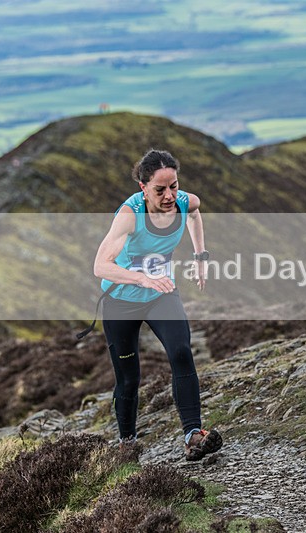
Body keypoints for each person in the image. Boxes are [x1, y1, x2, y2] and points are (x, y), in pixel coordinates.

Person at [93, 149, 222, 461]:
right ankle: (127, 442)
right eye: (160, 190)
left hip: (161, 295)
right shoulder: (129, 216)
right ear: (143, 188)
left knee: (181, 351)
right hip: (120, 301)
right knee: (129, 377)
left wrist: (200, 255)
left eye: (174, 186)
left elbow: (194, 213)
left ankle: (193, 434)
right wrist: (142, 279)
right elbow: (100, 266)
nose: (169, 196)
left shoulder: (185, 202)